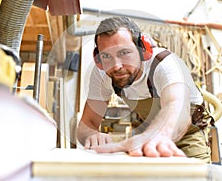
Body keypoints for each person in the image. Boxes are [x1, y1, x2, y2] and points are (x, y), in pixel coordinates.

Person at [77, 16, 212, 163]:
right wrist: (92, 135)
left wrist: (159, 136)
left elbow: (177, 108)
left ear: (143, 50)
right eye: (106, 56)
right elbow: (86, 124)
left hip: (188, 132)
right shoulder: (102, 73)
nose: (116, 66)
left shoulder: (165, 64)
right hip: (146, 130)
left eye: (124, 53)